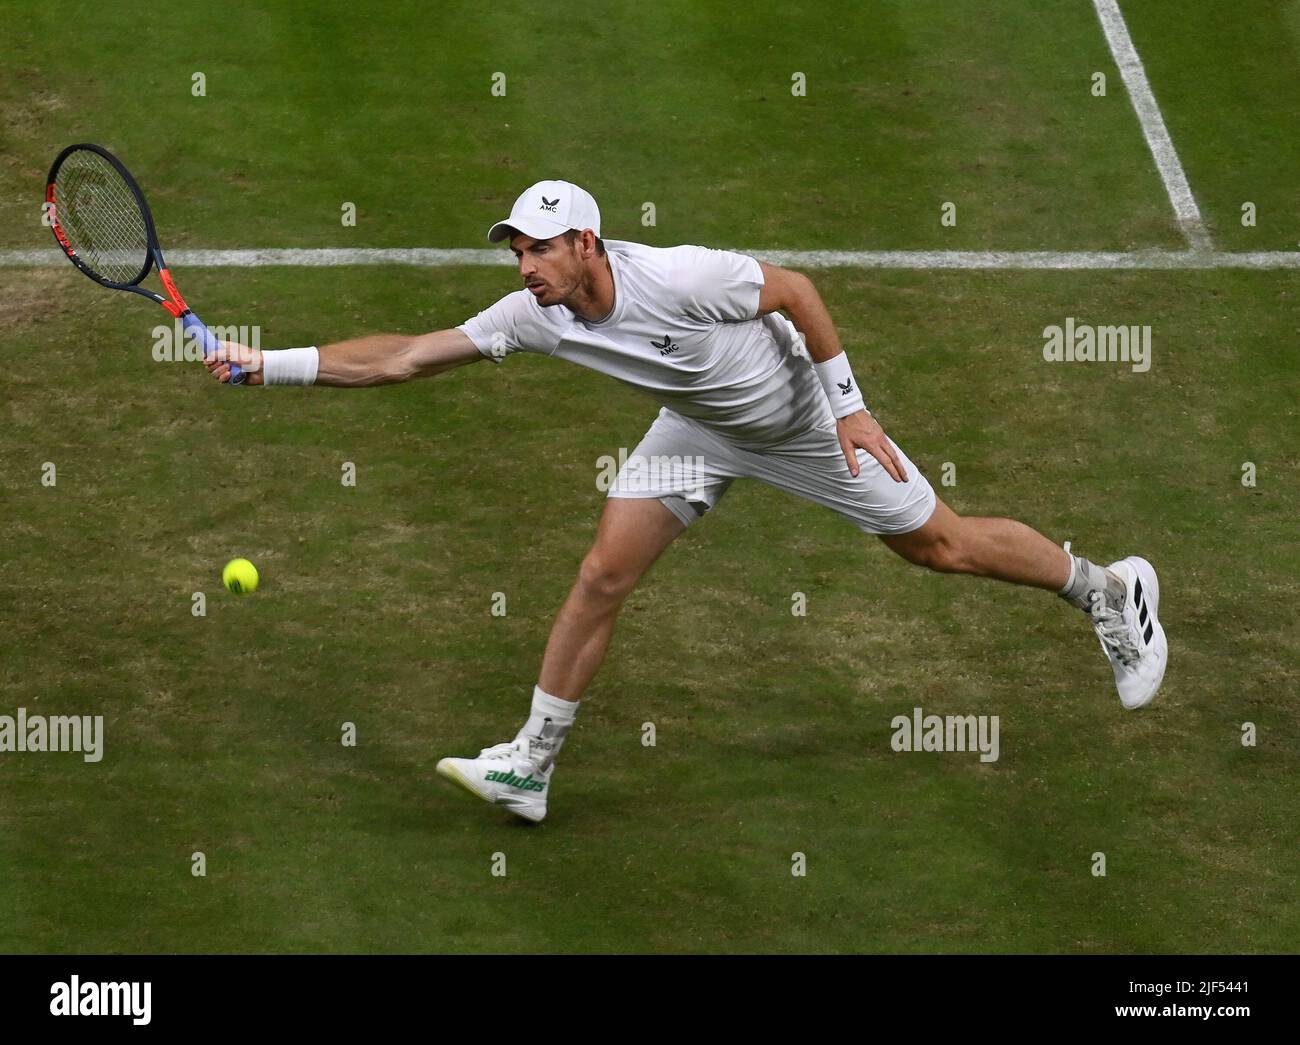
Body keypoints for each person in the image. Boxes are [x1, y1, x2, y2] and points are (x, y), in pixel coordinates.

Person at [205, 180, 1168, 823]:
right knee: (601, 574)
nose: (524, 268)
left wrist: (851, 410)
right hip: (700, 432)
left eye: (538, 250)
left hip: (797, 418)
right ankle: (530, 766)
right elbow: (406, 357)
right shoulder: (533, 314)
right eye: (515, 253)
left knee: (941, 547)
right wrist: (270, 365)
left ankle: (1107, 591)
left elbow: (797, 290)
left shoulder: (682, 278)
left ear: (585, 241)